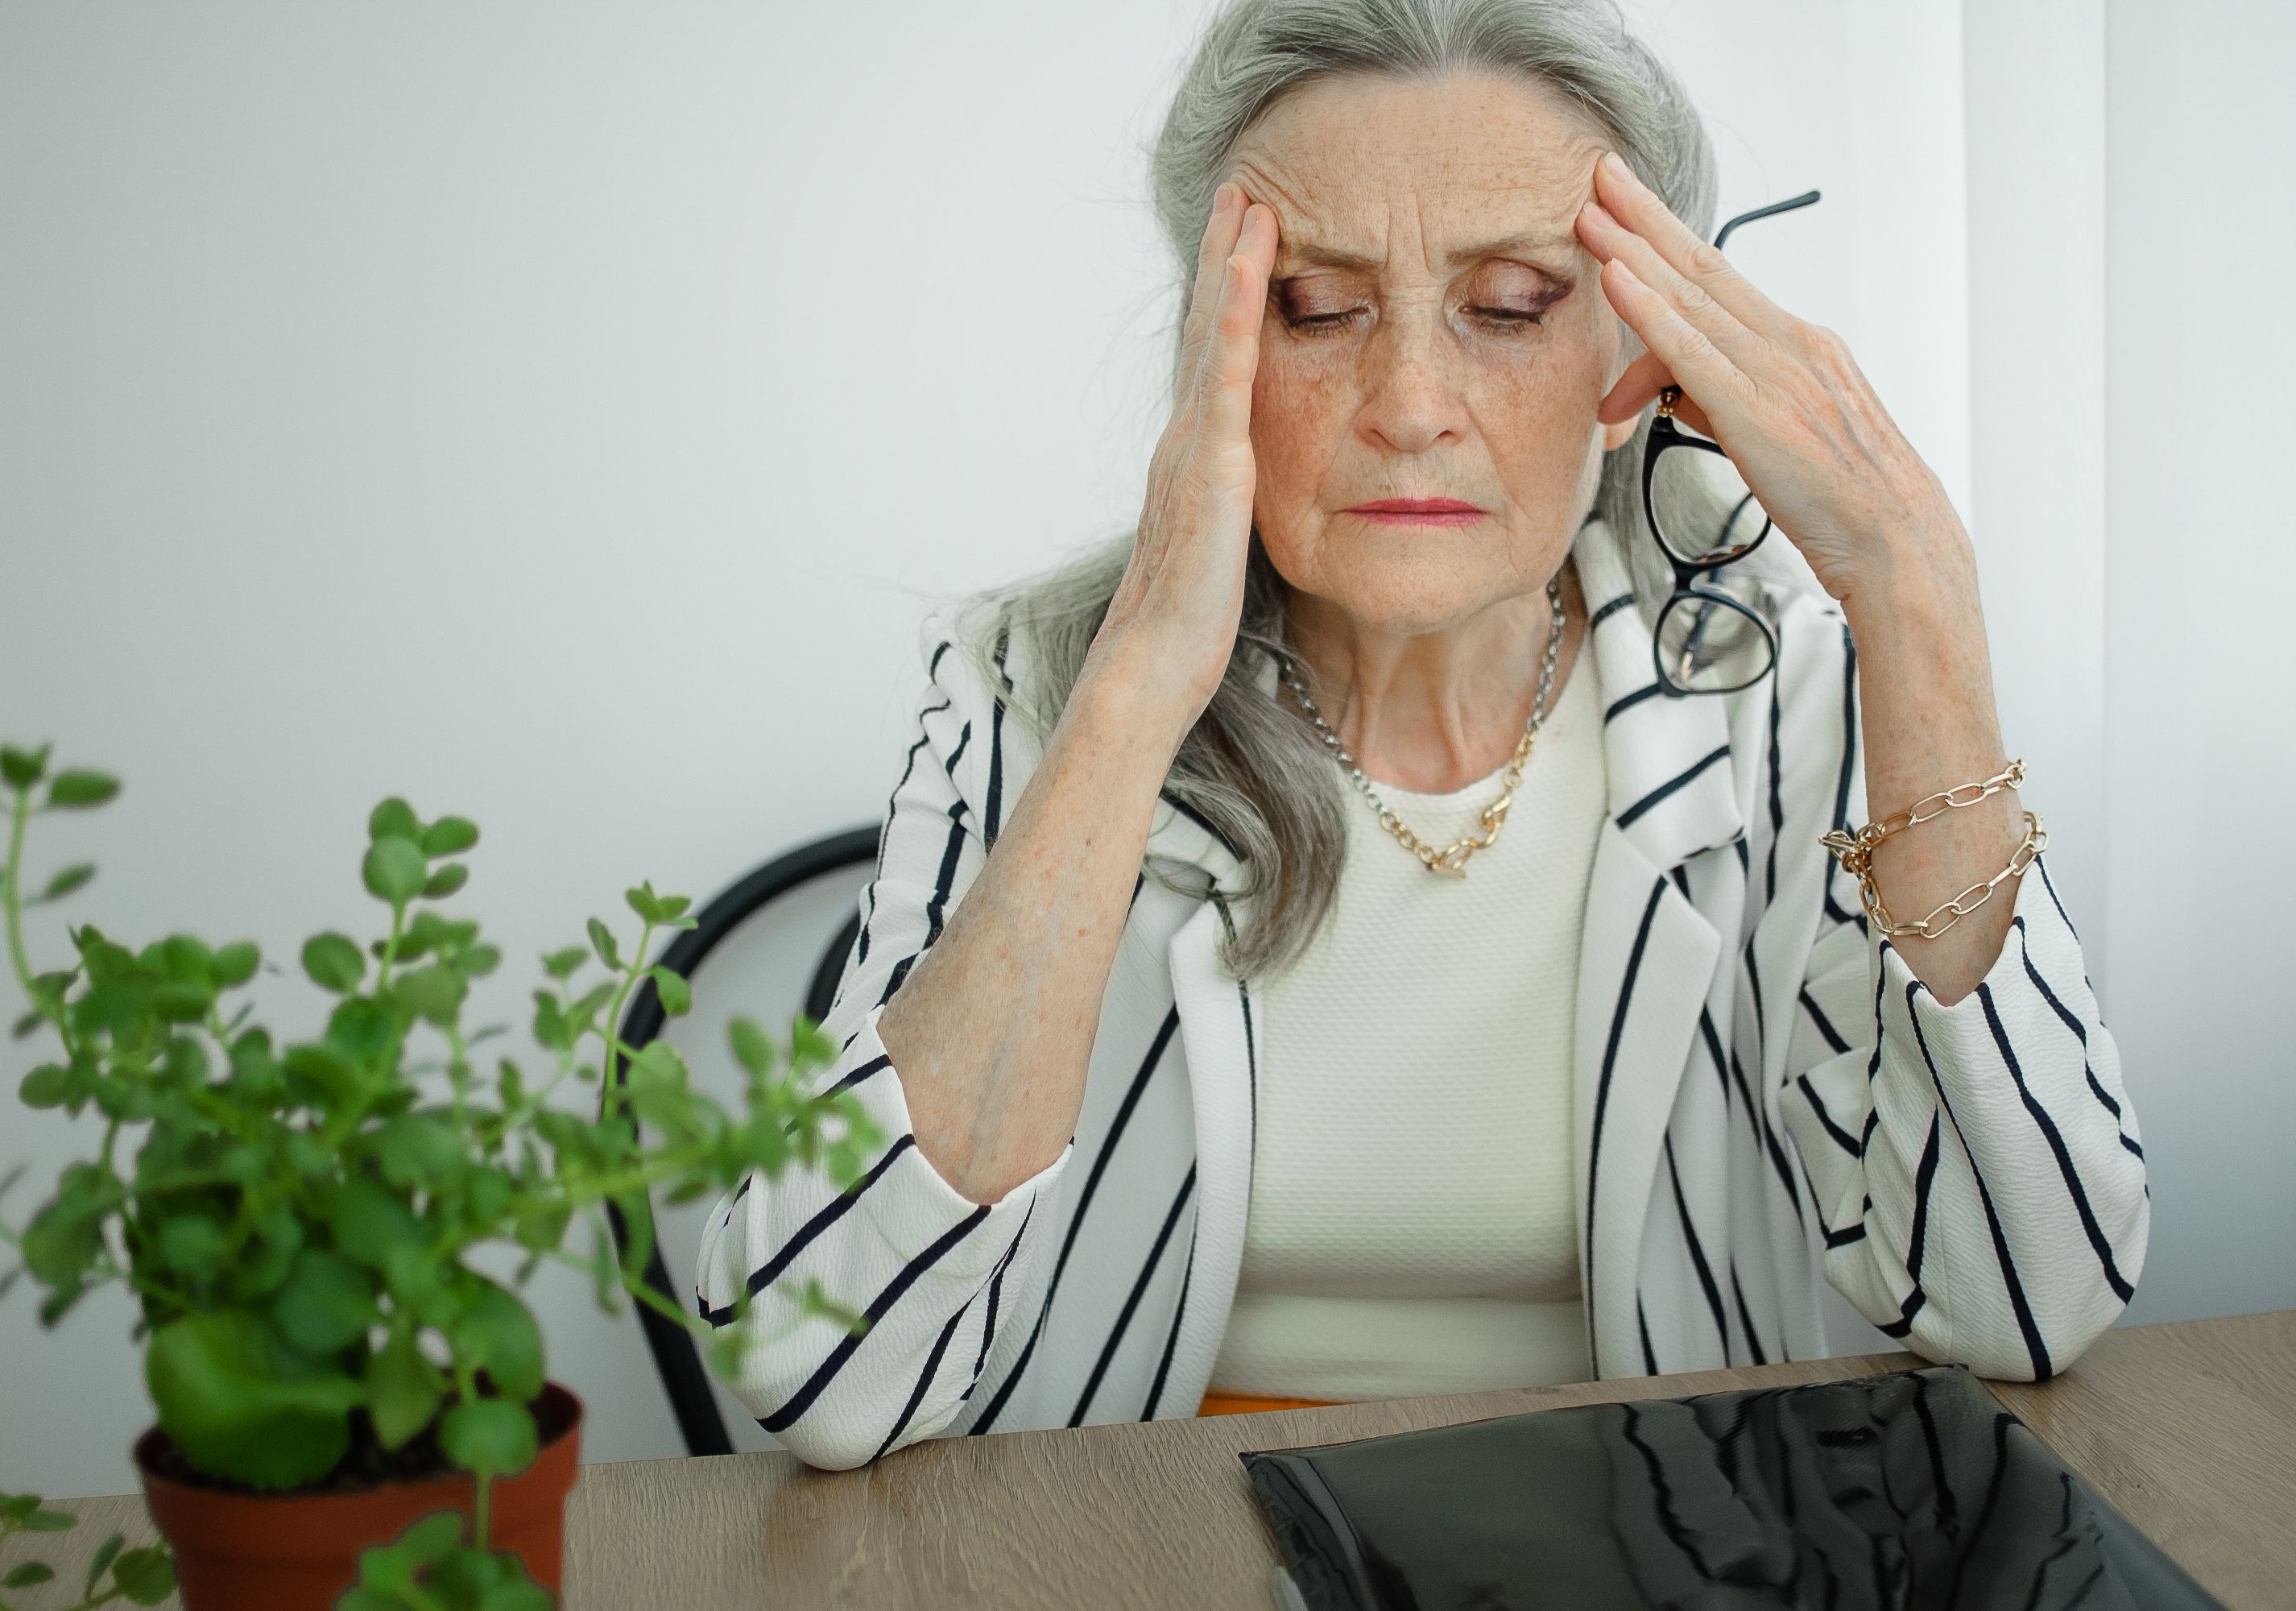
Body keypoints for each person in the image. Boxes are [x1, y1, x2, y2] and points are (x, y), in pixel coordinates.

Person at [698, 0, 2148, 1470]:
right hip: (1153, 1543)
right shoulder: (1025, 689)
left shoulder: (1777, 680)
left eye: (1511, 303)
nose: (1407, 406)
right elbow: (820, 1368)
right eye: (1317, 309)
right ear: (1218, 349)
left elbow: (2022, 1297)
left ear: (1639, 352)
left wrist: (1917, 586)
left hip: (1662, 1537)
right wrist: (1133, 690)